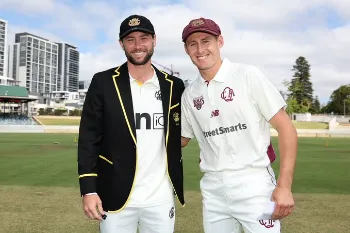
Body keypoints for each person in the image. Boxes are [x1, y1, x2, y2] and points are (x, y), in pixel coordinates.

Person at [180, 17, 298, 233]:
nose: (200, 49)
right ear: (186, 50)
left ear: (220, 42)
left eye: (206, 41)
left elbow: (286, 128)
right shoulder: (189, 94)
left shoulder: (247, 75)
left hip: (257, 187)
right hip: (213, 191)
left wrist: (284, 186)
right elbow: (182, 139)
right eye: (193, 44)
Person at [77, 14, 185, 233]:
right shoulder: (103, 82)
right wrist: (89, 190)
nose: (138, 45)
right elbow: (89, 138)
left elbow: (185, 131)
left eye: (144, 38)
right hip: (115, 194)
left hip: (161, 197)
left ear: (154, 40)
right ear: (121, 44)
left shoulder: (174, 86)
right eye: (130, 39)